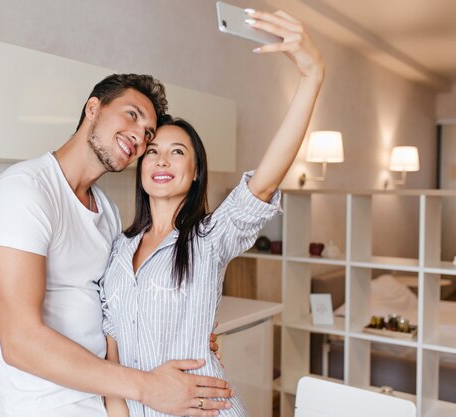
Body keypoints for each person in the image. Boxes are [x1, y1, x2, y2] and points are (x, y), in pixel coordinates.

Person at [100, 9, 324, 417]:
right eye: (152, 152)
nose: (162, 160)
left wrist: (312, 77)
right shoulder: (118, 246)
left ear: (195, 170)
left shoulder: (208, 238)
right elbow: (112, 353)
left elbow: (266, 180)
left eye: (177, 152)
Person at [0, 73, 233, 415]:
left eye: (148, 133)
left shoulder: (107, 213)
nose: (139, 137)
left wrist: (186, 332)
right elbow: (19, 342)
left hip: (104, 402)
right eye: (132, 115)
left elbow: (119, 309)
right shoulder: (24, 193)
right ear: (93, 108)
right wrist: (146, 387)